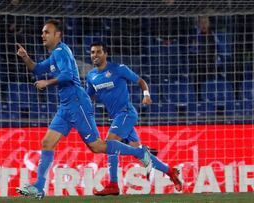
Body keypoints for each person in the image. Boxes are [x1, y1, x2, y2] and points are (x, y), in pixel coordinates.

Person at [15, 19, 153, 199]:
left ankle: (140, 152)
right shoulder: (54, 56)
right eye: (42, 32)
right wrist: (25, 57)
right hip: (65, 106)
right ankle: (39, 188)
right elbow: (37, 69)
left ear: (58, 35)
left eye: (47, 32)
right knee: (47, 143)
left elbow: (67, 75)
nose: (43, 35)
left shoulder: (61, 51)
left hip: (77, 102)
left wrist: (47, 82)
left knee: (97, 146)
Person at [86, 42, 182, 196]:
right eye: (92, 52)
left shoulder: (119, 69)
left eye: (98, 52)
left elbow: (140, 81)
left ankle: (113, 184)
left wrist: (146, 95)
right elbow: (89, 95)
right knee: (137, 151)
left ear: (105, 54)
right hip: (116, 117)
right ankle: (171, 172)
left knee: (110, 144)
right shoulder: (91, 76)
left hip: (126, 113)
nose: (95, 55)